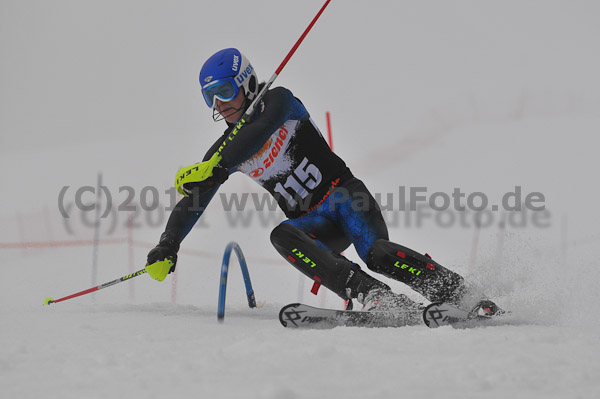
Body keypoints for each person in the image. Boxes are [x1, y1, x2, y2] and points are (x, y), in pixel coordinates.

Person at [144, 48, 498, 320]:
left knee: (378, 254)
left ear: (247, 83)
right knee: (282, 234)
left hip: (347, 199)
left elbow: (255, 134)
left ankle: (461, 294)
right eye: (211, 98)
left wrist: (217, 166)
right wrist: (168, 243)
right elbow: (194, 201)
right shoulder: (223, 151)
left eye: (224, 91)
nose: (220, 105)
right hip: (316, 223)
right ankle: (375, 297)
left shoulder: (279, 102)